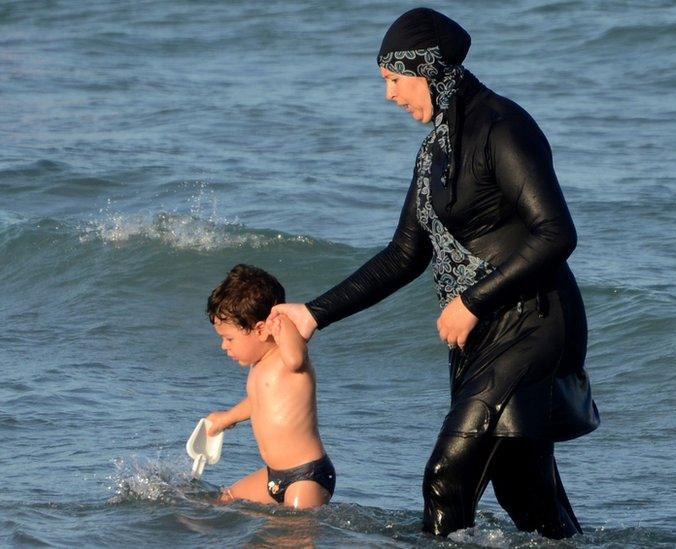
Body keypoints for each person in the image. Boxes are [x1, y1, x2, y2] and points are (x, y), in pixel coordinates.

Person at [270, 8, 599, 538]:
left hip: (532, 323)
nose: (390, 96)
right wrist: (313, 313)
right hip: (485, 333)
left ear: (427, 68)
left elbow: (556, 234)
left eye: (394, 80)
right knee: (526, 494)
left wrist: (471, 302)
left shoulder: (503, 127)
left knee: (447, 479)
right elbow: (405, 253)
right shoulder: (435, 151)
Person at [204, 264, 336, 509]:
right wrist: (227, 418)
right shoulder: (259, 367)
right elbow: (259, 404)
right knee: (225, 500)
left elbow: (297, 358)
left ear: (262, 329)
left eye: (229, 338)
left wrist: (282, 321)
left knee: (293, 534)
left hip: (306, 476)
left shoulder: (288, 356)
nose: (224, 346)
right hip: (273, 476)